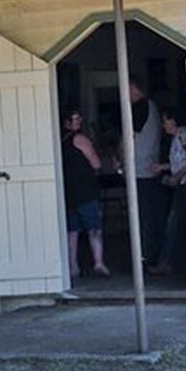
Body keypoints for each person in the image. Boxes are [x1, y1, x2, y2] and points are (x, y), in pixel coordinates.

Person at [61, 110, 109, 279]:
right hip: (86, 191)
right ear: (67, 122)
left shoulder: (58, 140)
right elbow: (96, 163)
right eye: (75, 118)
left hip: (67, 192)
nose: (79, 120)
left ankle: (73, 266)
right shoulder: (80, 139)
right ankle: (98, 263)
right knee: (94, 228)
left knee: (71, 231)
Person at [151, 108, 186, 275]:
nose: (163, 125)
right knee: (174, 223)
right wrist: (162, 167)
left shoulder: (184, 136)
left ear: (173, 121)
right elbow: (180, 161)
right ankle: (166, 262)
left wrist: (176, 177)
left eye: (165, 121)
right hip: (182, 185)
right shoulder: (177, 137)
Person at [128, 77, 166, 264]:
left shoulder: (140, 107)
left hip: (141, 168)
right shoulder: (153, 107)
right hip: (151, 166)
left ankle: (144, 255)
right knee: (151, 213)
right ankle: (153, 253)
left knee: (143, 215)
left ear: (134, 89)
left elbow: (130, 137)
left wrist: (120, 157)